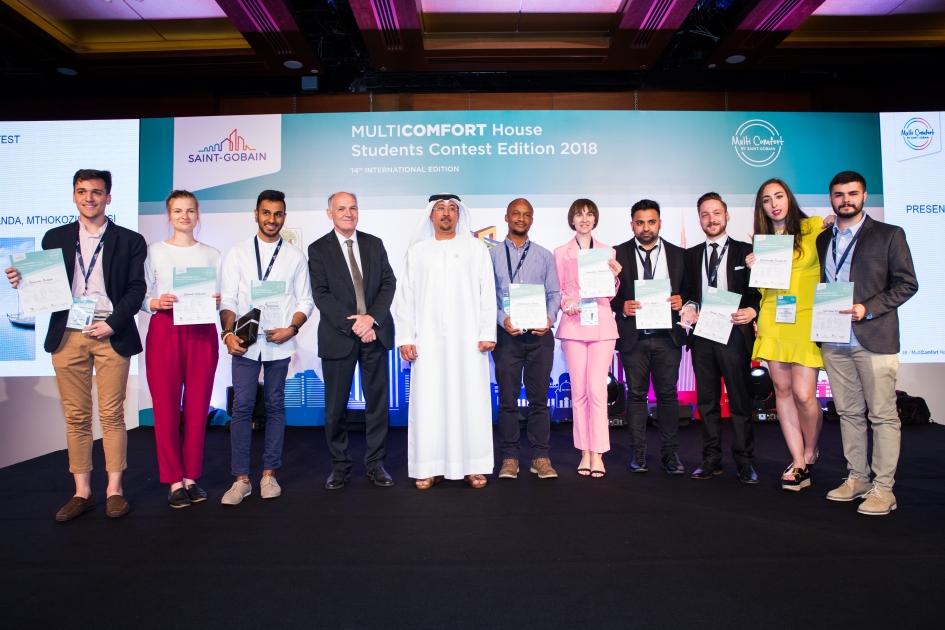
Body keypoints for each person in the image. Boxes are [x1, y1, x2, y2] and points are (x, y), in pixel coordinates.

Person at [5, 169, 146, 521]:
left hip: (111, 331)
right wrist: (23, 281)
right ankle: (82, 492)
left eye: (96, 192)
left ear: (108, 198)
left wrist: (112, 323)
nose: (89, 198)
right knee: (77, 416)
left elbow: (136, 290)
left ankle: (114, 491)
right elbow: (46, 286)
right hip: (68, 332)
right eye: (82, 191)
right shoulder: (54, 237)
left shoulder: (130, 240)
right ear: (73, 196)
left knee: (112, 415)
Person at [817, 171, 917, 515]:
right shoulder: (824, 238)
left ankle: (884, 489)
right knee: (848, 413)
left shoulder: (890, 234)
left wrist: (867, 308)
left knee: (883, 415)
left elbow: (907, 284)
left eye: (852, 193)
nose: (845, 199)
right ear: (831, 198)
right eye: (839, 194)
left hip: (873, 336)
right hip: (834, 338)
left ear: (864, 196)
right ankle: (858, 478)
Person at [394, 194, 497, 490]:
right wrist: (406, 337)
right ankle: (428, 467)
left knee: (471, 401)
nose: (446, 213)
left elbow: (487, 292)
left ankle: (473, 466)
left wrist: (486, 333)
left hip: (469, 342)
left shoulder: (476, 248)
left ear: (459, 215)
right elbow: (405, 299)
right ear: (431, 215)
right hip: (427, 342)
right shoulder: (417, 252)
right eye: (440, 208)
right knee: (428, 402)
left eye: (452, 209)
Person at [218, 190, 314, 505]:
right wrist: (228, 334)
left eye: (278, 214)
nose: (272, 219)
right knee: (242, 407)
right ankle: (241, 480)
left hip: (278, 342)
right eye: (266, 213)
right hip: (245, 343)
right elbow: (228, 299)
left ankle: (269, 475)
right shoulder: (238, 253)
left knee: (275, 406)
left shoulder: (295, 256)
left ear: (284, 217)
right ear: (256, 214)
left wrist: (292, 329)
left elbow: (305, 300)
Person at [308, 191, 397, 490]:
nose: (348, 213)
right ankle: (340, 467)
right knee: (335, 409)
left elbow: (389, 283)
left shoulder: (374, 244)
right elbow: (321, 294)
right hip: (339, 337)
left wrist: (371, 318)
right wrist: (357, 325)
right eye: (341, 208)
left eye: (353, 208)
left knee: (377, 406)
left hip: (375, 334)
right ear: (329, 213)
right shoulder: (318, 249)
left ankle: (376, 465)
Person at [142, 190, 221, 508]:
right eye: (178, 210)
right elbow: (139, 295)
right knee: (165, 409)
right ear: (169, 215)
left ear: (197, 214)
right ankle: (174, 480)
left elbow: (221, 295)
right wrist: (155, 302)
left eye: (190, 210)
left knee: (198, 408)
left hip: (202, 330)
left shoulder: (212, 254)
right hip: (165, 329)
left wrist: (218, 300)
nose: (184, 216)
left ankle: (191, 477)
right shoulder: (154, 251)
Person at [746, 178, 827, 491]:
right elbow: (762, 289)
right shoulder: (763, 241)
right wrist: (754, 266)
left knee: (805, 394)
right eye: (767, 200)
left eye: (778, 196)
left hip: (806, 317)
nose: (774, 204)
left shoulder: (814, 226)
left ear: (789, 198)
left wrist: (833, 221)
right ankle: (798, 460)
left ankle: (810, 449)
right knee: (782, 390)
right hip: (773, 317)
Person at [680, 192, 761, 484]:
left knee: (739, 400)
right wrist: (690, 307)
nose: (711, 219)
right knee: (707, 402)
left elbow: (759, 291)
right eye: (705, 214)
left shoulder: (746, 252)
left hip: (734, 333)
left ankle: (745, 461)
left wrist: (752, 310)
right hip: (703, 335)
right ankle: (711, 459)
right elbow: (689, 292)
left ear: (727, 216)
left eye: (716, 213)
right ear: (699, 219)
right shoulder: (691, 255)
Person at [611, 199, 687, 475]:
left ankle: (670, 454)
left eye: (651, 222)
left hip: (668, 337)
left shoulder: (679, 255)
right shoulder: (616, 254)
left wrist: (683, 300)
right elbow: (605, 293)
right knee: (636, 396)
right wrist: (621, 305)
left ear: (660, 223)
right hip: (634, 337)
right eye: (640, 222)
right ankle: (639, 453)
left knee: (668, 396)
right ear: (632, 224)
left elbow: (691, 290)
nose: (646, 228)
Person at [490, 198, 561, 480]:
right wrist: (502, 319)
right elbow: (486, 297)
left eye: (527, 214)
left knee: (539, 401)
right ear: (506, 217)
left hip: (539, 337)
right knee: (507, 400)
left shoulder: (544, 255)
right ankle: (509, 458)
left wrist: (549, 318)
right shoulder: (491, 256)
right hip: (506, 337)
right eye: (516, 214)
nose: (521, 218)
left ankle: (540, 458)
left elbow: (554, 294)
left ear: (532, 219)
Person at [555, 199, 622, 478]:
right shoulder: (560, 252)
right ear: (572, 219)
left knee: (597, 390)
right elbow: (558, 290)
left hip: (602, 326)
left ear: (595, 219)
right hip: (573, 325)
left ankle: (599, 453)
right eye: (579, 214)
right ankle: (584, 451)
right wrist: (565, 303)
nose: (584, 218)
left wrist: (615, 278)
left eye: (589, 214)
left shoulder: (608, 251)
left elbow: (610, 293)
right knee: (579, 391)